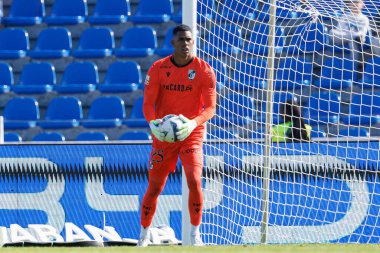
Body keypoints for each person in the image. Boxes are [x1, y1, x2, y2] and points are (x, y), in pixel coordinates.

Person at [137, 24, 217, 247]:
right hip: (164, 135)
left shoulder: (204, 70)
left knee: (194, 179)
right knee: (154, 187)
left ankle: (194, 235)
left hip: (191, 133)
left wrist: (192, 123)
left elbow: (210, 108)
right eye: (181, 40)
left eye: (189, 40)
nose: (186, 43)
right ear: (173, 43)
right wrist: (153, 123)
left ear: (194, 42)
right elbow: (147, 104)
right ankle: (143, 235)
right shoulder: (158, 69)